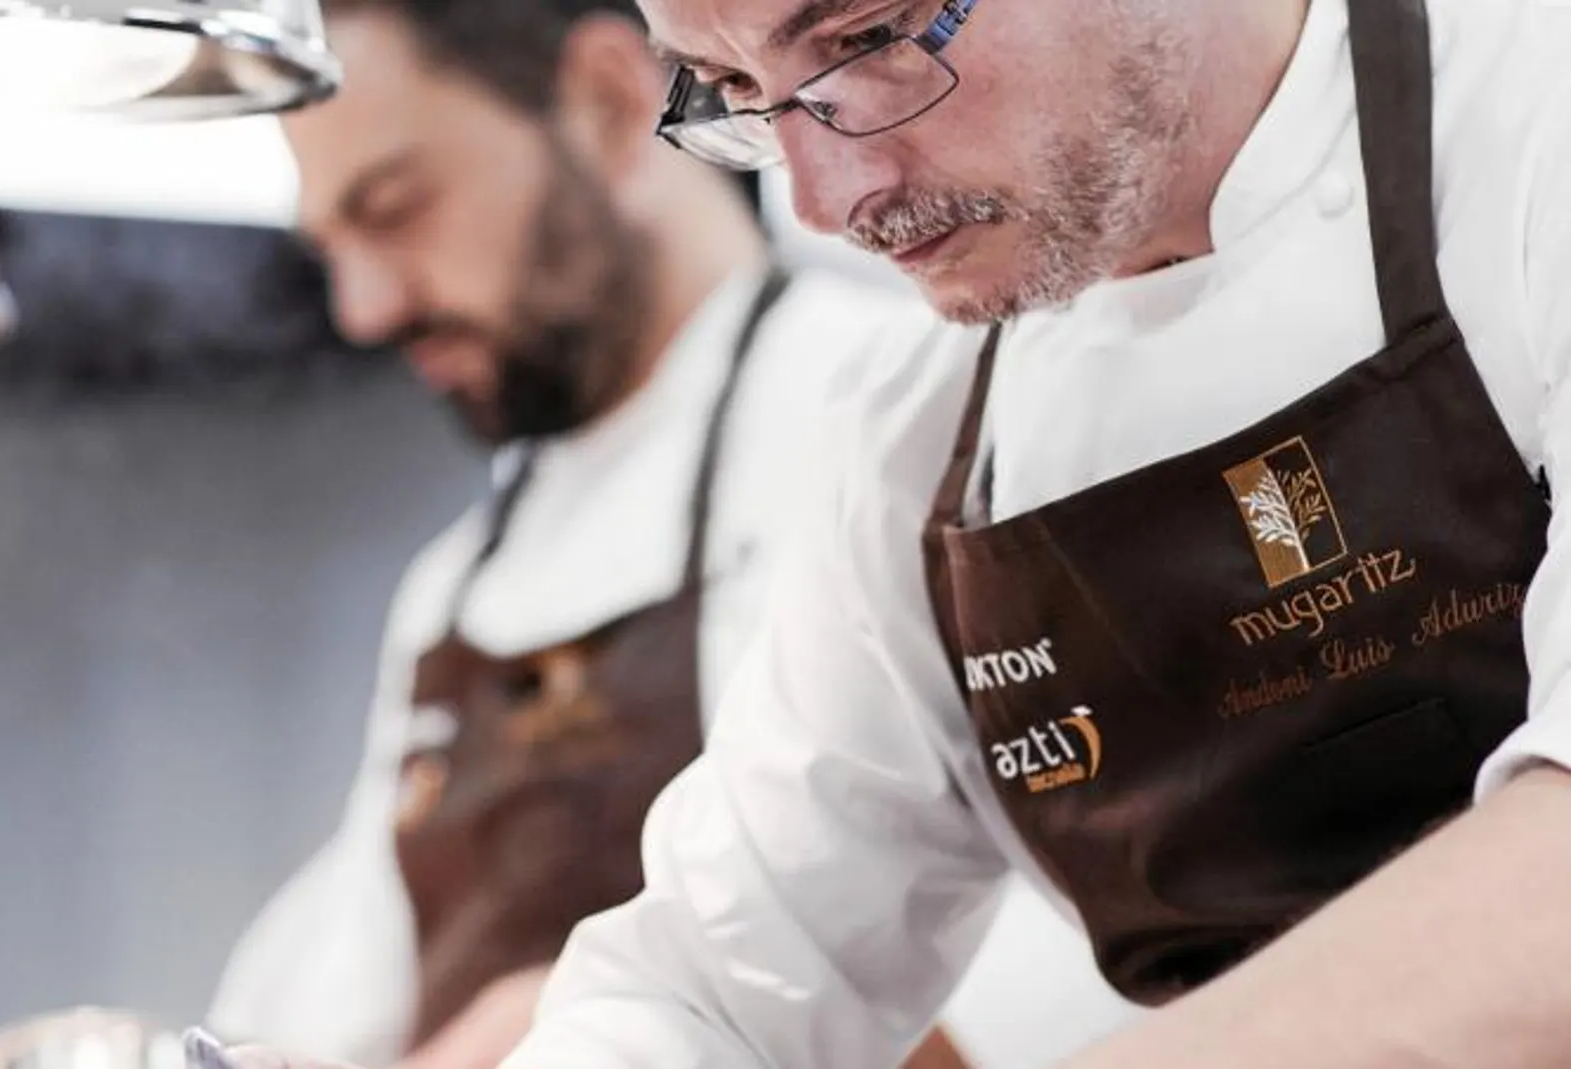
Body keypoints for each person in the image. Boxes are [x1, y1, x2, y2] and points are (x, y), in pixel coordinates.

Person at [437, 0, 1571, 1064]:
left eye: (869, 36)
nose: (821, 199)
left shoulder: (1533, 129)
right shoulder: (916, 446)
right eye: (733, 85)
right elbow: (704, 983)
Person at [203, 1, 1132, 1066]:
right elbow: (343, 987)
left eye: (398, 207)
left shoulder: (904, 418)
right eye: (330, 244)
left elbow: (1082, 906)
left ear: (605, 103)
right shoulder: (455, 584)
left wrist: (604, 1014)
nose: (363, 307)